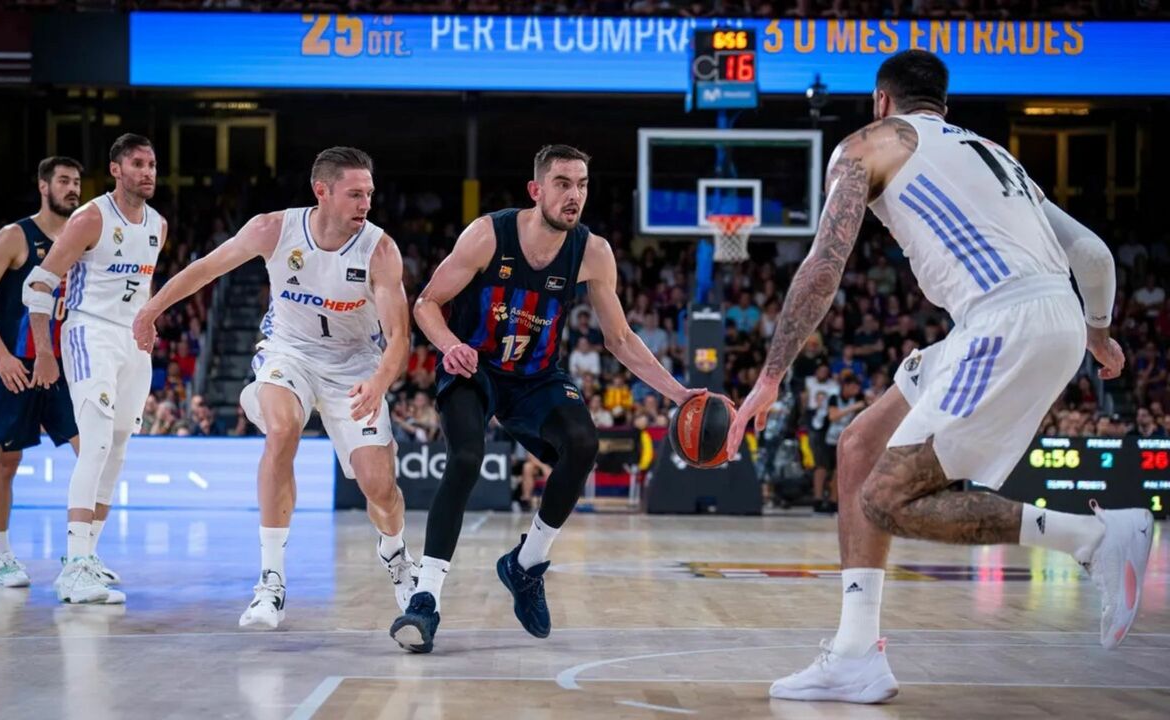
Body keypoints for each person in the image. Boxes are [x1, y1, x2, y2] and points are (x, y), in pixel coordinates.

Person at [726, 50, 1153, 703]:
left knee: (887, 498)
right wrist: (1095, 331)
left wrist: (770, 374)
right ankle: (854, 655)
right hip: (1032, 318)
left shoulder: (869, 143)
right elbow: (1092, 252)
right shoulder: (996, 155)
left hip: (1004, 325)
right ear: (943, 107)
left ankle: (1095, 537)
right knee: (859, 449)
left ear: (880, 100)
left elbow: (823, 266)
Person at [391, 144, 706, 653]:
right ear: (536, 190)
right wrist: (449, 347)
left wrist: (677, 393)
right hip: (477, 367)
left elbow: (620, 339)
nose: (574, 194)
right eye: (562, 183)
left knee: (584, 445)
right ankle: (424, 601)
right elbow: (427, 301)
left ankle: (526, 565)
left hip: (536, 379)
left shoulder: (593, 252)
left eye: (581, 184)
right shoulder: (488, 235)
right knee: (468, 457)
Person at [134, 146, 415, 629]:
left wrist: (379, 382)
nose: (365, 203)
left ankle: (396, 553)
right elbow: (204, 269)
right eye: (354, 194)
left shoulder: (379, 249)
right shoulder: (274, 228)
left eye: (369, 194)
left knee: (380, 488)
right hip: (289, 352)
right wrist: (149, 310)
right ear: (321, 191)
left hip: (354, 368)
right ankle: (271, 581)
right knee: (282, 431)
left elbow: (400, 338)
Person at [25, 134, 166, 605]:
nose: (147, 172)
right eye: (137, 164)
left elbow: (139, 288)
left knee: (119, 446)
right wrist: (44, 351)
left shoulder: (158, 225)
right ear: (116, 170)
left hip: (132, 341)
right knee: (97, 441)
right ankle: (74, 564)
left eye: (151, 164)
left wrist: (148, 321)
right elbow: (39, 284)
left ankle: (88, 556)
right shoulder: (91, 217)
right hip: (90, 333)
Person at [0, 156, 85, 588]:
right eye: (64, 181)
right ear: (43, 186)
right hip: (16, 364)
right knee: (6, 460)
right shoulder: (15, 236)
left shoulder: (84, 238)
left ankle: (80, 554)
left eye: (77, 182)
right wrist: (0, 354)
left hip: (66, 366)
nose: (73, 189)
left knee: (89, 451)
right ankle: (1, 557)